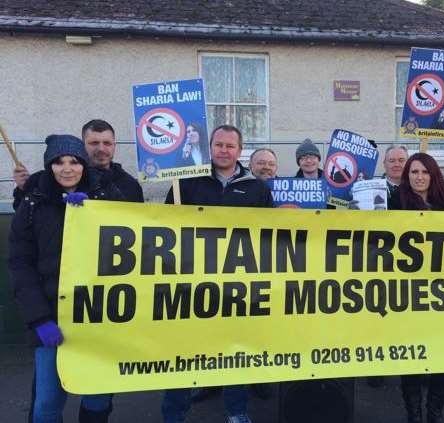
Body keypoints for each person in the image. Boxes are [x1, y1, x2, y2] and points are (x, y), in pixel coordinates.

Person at [9, 134, 123, 423]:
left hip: (98, 316)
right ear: (50, 167)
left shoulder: (104, 196)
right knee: (47, 401)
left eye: (74, 161)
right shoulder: (32, 206)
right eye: (59, 162)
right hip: (51, 319)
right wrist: (39, 320)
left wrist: (99, 211)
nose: (67, 168)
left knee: (97, 395)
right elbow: (21, 265)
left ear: (84, 165)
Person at [163, 125, 272, 423]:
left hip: (238, 283)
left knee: (235, 349)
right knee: (183, 351)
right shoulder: (186, 182)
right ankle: (174, 413)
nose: (224, 150)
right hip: (192, 282)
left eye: (230, 146)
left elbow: (271, 236)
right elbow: (162, 224)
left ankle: (236, 411)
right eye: (219, 145)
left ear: (240, 150)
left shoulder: (256, 188)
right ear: (210, 147)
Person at [389, 153, 444, 423]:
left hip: (442, 294)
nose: (419, 177)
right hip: (408, 294)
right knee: (412, 357)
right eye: (414, 172)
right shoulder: (396, 202)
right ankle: (414, 414)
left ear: (433, 175)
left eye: (424, 172)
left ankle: (435, 413)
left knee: (443, 356)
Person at [13, 119, 143, 209]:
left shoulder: (130, 185)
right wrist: (23, 189)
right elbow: (23, 217)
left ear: (114, 146)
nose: (101, 149)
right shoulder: (53, 180)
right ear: (82, 145)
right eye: (94, 143)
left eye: (107, 143)